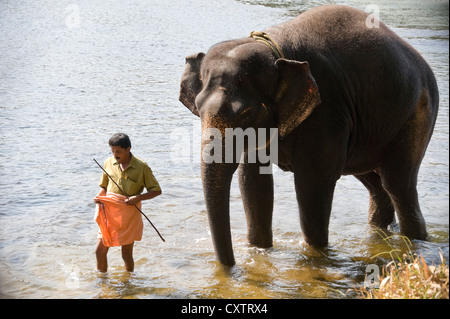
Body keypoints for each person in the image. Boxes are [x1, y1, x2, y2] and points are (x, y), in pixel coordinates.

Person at [94, 133, 162, 272]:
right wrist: (99, 196)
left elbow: (156, 191)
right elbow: (104, 187)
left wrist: (138, 198)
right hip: (110, 212)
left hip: (130, 213)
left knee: (126, 254)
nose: (114, 154)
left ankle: (129, 282)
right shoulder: (108, 162)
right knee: (99, 250)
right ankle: (103, 283)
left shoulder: (142, 167)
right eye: (112, 151)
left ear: (128, 149)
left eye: (118, 151)